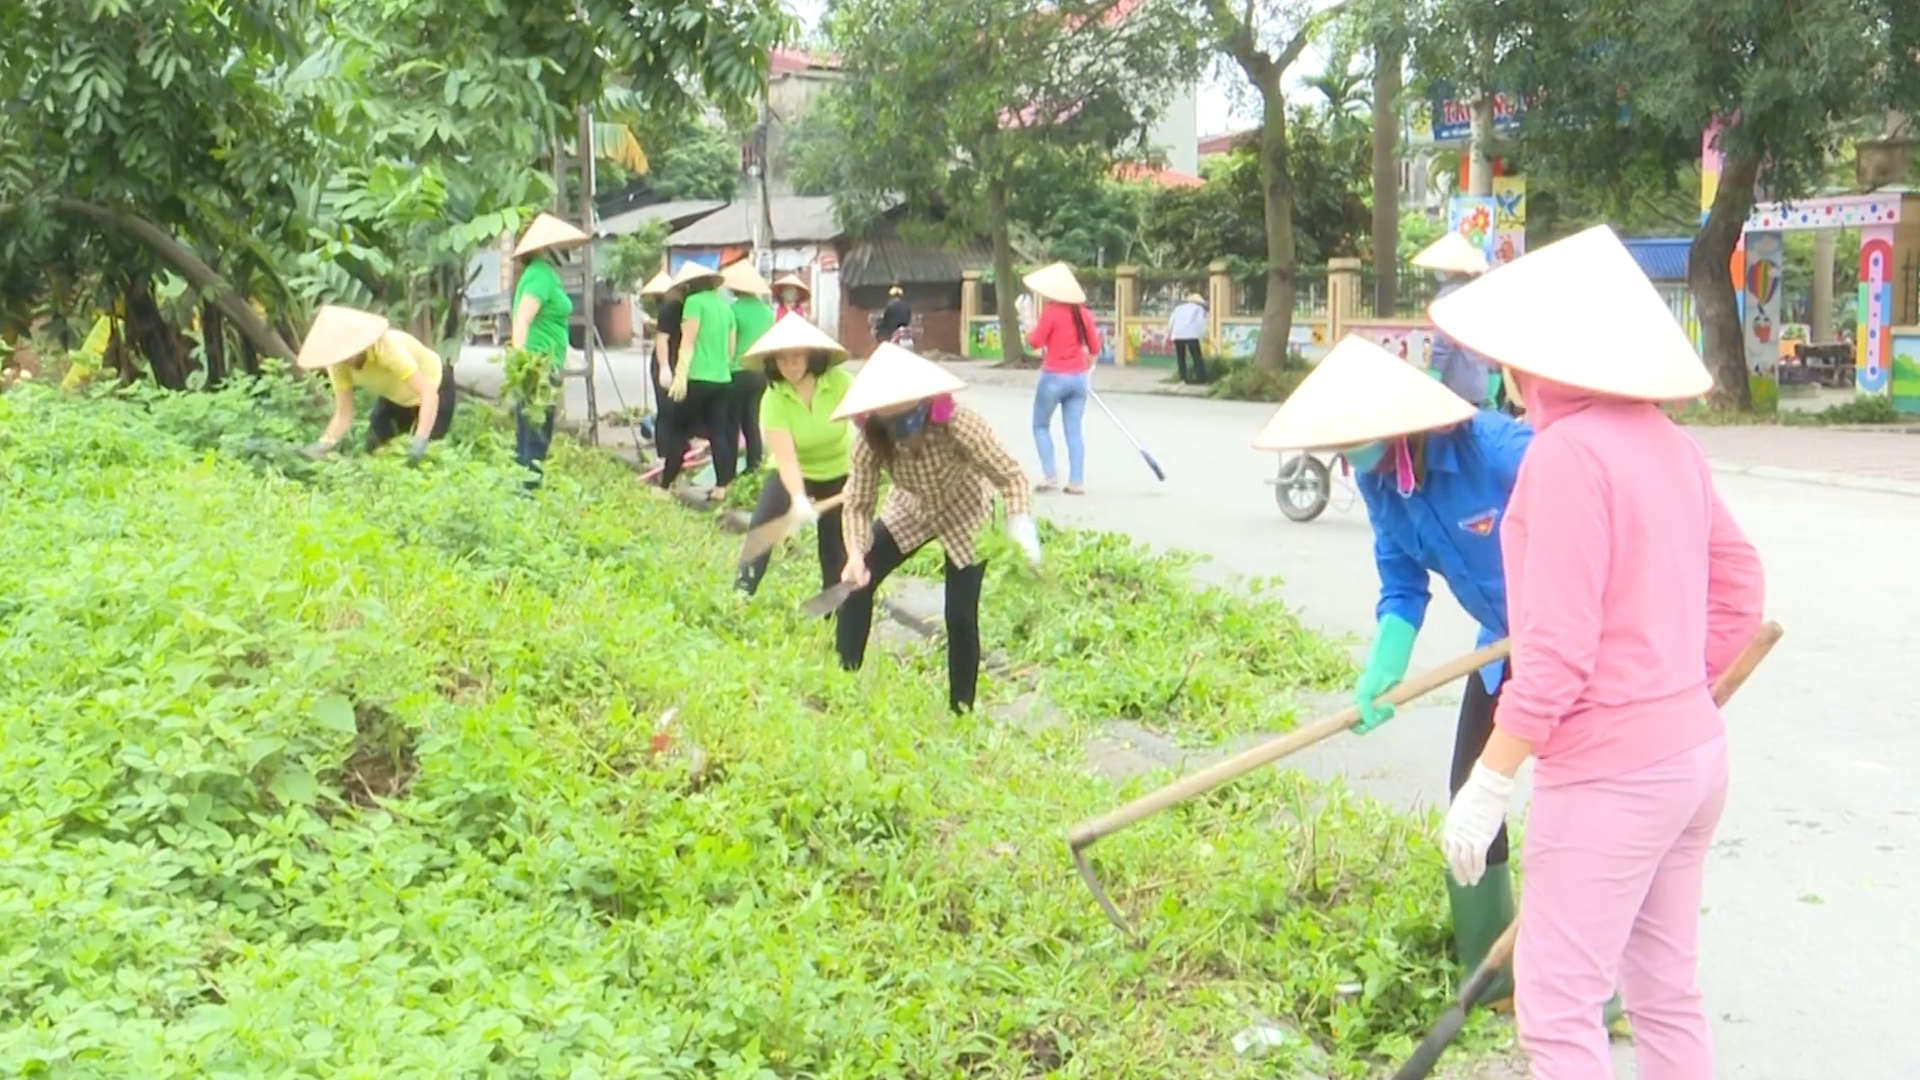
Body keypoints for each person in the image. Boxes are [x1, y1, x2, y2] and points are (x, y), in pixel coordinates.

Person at [1430, 225, 1765, 1080]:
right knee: (1664, 993)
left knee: (1559, 1008)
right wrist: (1676, 686)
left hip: (1613, 778)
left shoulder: (1565, 457)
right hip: (1693, 761)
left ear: (1537, 363)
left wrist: (1489, 780)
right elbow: (1740, 581)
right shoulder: (1669, 444)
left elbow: (1557, 656)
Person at [1251, 332, 1563, 1012]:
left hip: (1575, 648)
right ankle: (1494, 975)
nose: (1345, 455)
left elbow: (1594, 498)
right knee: (1470, 798)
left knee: (1579, 811)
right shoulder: (1378, 482)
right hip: (1503, 648)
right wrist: (1384, 668)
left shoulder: (1496, 449)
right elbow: (1401, 580)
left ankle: (1589, 984)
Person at [833, 344, 1038, 714]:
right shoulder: (870, 442)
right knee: (855, 586)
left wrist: (1020, 529)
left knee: (959, 615)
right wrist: (854, 554)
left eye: (909, 418)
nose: (903, 432)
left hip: (966, 510)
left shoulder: (962, 425)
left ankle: (962, 710)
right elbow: (858, 503)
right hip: (910, 507)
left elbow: (1011, 478)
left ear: (927, 404)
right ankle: (843, 685)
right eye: (891, 423)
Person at [734, 314, 854, 597]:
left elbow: (867, 431)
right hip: (794, 471)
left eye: (797, 357)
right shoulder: (774, 398)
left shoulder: (841, 383)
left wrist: (861, 477)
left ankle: (833, 612)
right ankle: (740, 597)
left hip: (839, 469)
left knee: (835, 546)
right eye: (782, 359)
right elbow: (787, 459)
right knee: (762, 529)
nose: (790, 366)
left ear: (812, 356)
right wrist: (799, 499)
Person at [298, 304, 456, 464]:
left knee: (424, 461)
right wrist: (324, 444)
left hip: (436, 389)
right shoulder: (337, 363)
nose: (346, 358)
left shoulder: (386, 347)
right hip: (395, 398)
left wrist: (420, 439)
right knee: (374, 454)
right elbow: (344, 413)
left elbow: (428, 394)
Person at [509, 213, 589, 488]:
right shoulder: (540, 276)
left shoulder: (542, 275)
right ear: (547, 248)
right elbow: (521, 320)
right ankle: (526, 495)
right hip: (537, 369)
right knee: (535, 437)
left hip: (543, 365)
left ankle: (525, 491)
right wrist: (523, 364)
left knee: (533, 434)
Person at [658, 261, 737, 499]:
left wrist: (679, 375)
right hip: (722, 380)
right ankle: (722, 486)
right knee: (718, 433)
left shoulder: (693, 303)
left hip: (695, 379)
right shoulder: (727, 309)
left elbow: (687, 343)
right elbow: (730, 350)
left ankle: (665, 484)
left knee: (678, 431)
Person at [1022, 262, 1100, 494]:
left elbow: (1035, 342)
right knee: (1074, 429)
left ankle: (1049, 476)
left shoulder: (1052, 312)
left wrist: (1027, 325)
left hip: (1053, 377)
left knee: (1040, 425)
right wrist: (1087, 367)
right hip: (1078, 379)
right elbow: (1094, 347)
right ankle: (1076, 481)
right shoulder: (1083, 314)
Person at [1413, 232, 1500, 409]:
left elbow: (1443, 344)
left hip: (1454, 385)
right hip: (1479, 384)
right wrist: (1492, 380)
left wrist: (1434, 375)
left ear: (1450, 269)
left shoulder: (1448, 297)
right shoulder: (1482, 293)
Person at [723, 259, 778, 474]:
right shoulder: (766, 312)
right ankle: (754, 465)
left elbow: (730, 343)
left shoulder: (732, 311)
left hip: (736, 371)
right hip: (759, 372)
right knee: (752, 421)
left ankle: (728, 469)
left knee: (731, 424)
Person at [1168, 292, 1209, 385]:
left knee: (1180, 358)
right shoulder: (1199, 309)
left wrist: (1169, 334)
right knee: (1197, 357)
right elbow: (1200, 322)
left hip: (1177, 334)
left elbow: (1171, 322)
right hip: (1191, 335)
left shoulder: (1178, 308)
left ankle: (1183, 379)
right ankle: (1201, 379)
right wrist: (1204, 335)